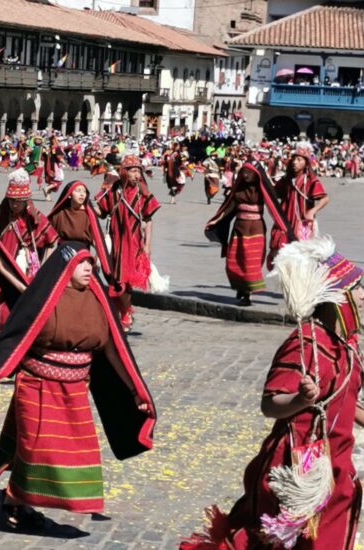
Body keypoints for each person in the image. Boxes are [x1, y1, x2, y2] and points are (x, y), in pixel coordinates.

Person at [181, 236, 364, 549]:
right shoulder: (305, 343)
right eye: (357, 288)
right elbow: (270, 404)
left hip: (338, 465)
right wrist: (300, 400)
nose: (363, 296)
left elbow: (345, 399)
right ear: (336, 296)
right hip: (298, 469)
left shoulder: (346, 345)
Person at [0, 242, 156, 530]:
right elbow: (17, 338)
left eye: (91, 264)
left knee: (73, 453)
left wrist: (135, 391)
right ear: (66, 267)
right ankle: (14, 501)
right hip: (37, 385)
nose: (88, 269)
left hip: (75, 392)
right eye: (82, 263)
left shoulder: (98, 303)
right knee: (35, 449)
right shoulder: (44, 299)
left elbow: (114, 350)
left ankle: (18, 499)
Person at [205, 161, 293, 306]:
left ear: (255, 175)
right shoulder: (237, 190)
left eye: (249, 173)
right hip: (239, 228)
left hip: (256, 229)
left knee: (251, 260)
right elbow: (228, 208)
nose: (246, 175)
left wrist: (281, 225)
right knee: (234, 259)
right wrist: (215, 220)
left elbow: (273, 208)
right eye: (244, 172)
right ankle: (241, 287)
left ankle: (248, 294)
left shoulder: (262, 190)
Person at [95, 155, 160, 331]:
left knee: (124, 280)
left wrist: (147, 246)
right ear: (124, 172)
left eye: (138, 170)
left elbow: (148, 220)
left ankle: (125, 312)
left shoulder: (142, 192)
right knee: (114, 279)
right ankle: (120, 311)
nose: (136, 174)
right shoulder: (113, 190)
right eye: (132, 171)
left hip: (134, 243)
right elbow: (101, 212)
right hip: (115, 242)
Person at [0, 168, 57, 330]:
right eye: (12, 200)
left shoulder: (35, 217)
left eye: (19, 200)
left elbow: (51, 241)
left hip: (24, 266)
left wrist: (43, 269)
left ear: (26, 200)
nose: (15, 204)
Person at [268, 141, 329, 270]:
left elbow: (325, 198)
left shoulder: (311, 180)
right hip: (284, 220)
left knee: (302, 256)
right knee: (279, 251)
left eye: (299, 159)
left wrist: (312, 211)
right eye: (294, 159)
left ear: (306, 162)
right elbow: (273, 192)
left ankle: (300, 285)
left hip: (302, 222)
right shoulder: (287, 179)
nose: (295, 162)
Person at [48, 180, 115, 285]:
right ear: (69, 195)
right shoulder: (60, 214)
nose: (82, 194)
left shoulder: (89, 216)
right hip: (63, 256)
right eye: (78, 191)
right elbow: (50, 241)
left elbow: (96, 241)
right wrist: (48, 264)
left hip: (83, 257)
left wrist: (97, 260)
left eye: (84, 191)